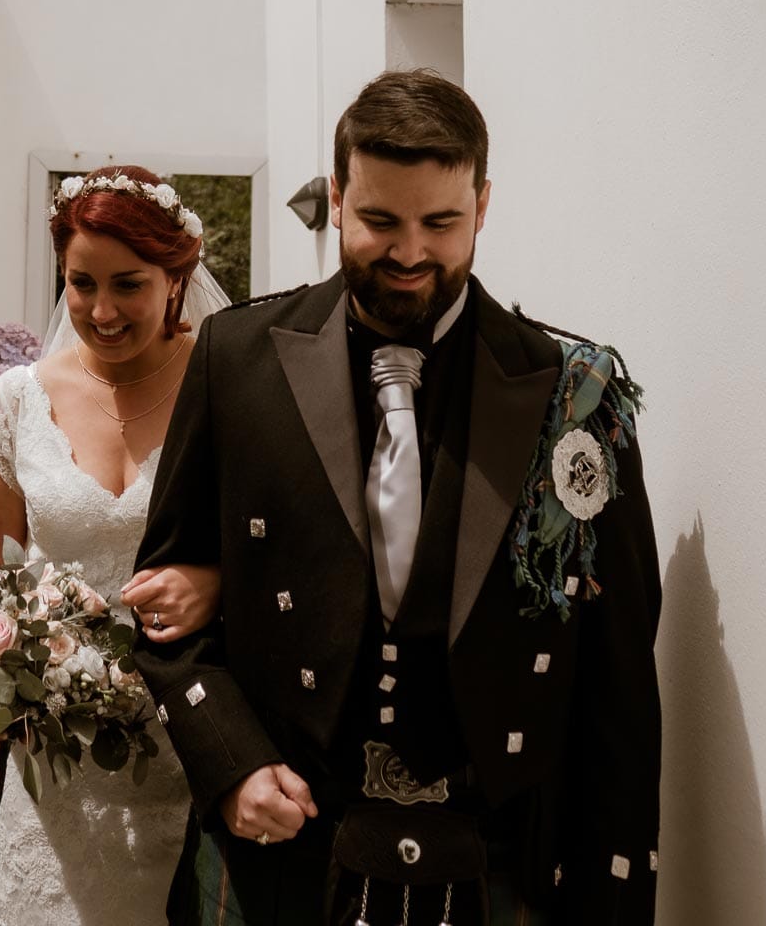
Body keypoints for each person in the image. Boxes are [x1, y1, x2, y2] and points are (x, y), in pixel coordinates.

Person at [134, 71, 662, 925]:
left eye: (441, 223)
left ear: (482, 207)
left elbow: (620, 676)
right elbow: (165, 615)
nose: (410, 252)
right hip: (283, 856)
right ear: (337, 199)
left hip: (499, 858)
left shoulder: (574, 394)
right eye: (381, 220)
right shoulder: (238, 357)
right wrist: (229, 764)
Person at [0, 164, 232, 925]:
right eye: (82, 284)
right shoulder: (15, 401)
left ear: (177, 277)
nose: (101, 310)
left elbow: (283, 549)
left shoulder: (231, 387)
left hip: (193, 742)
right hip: (55, 758)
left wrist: (215, 582)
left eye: (128, 285)